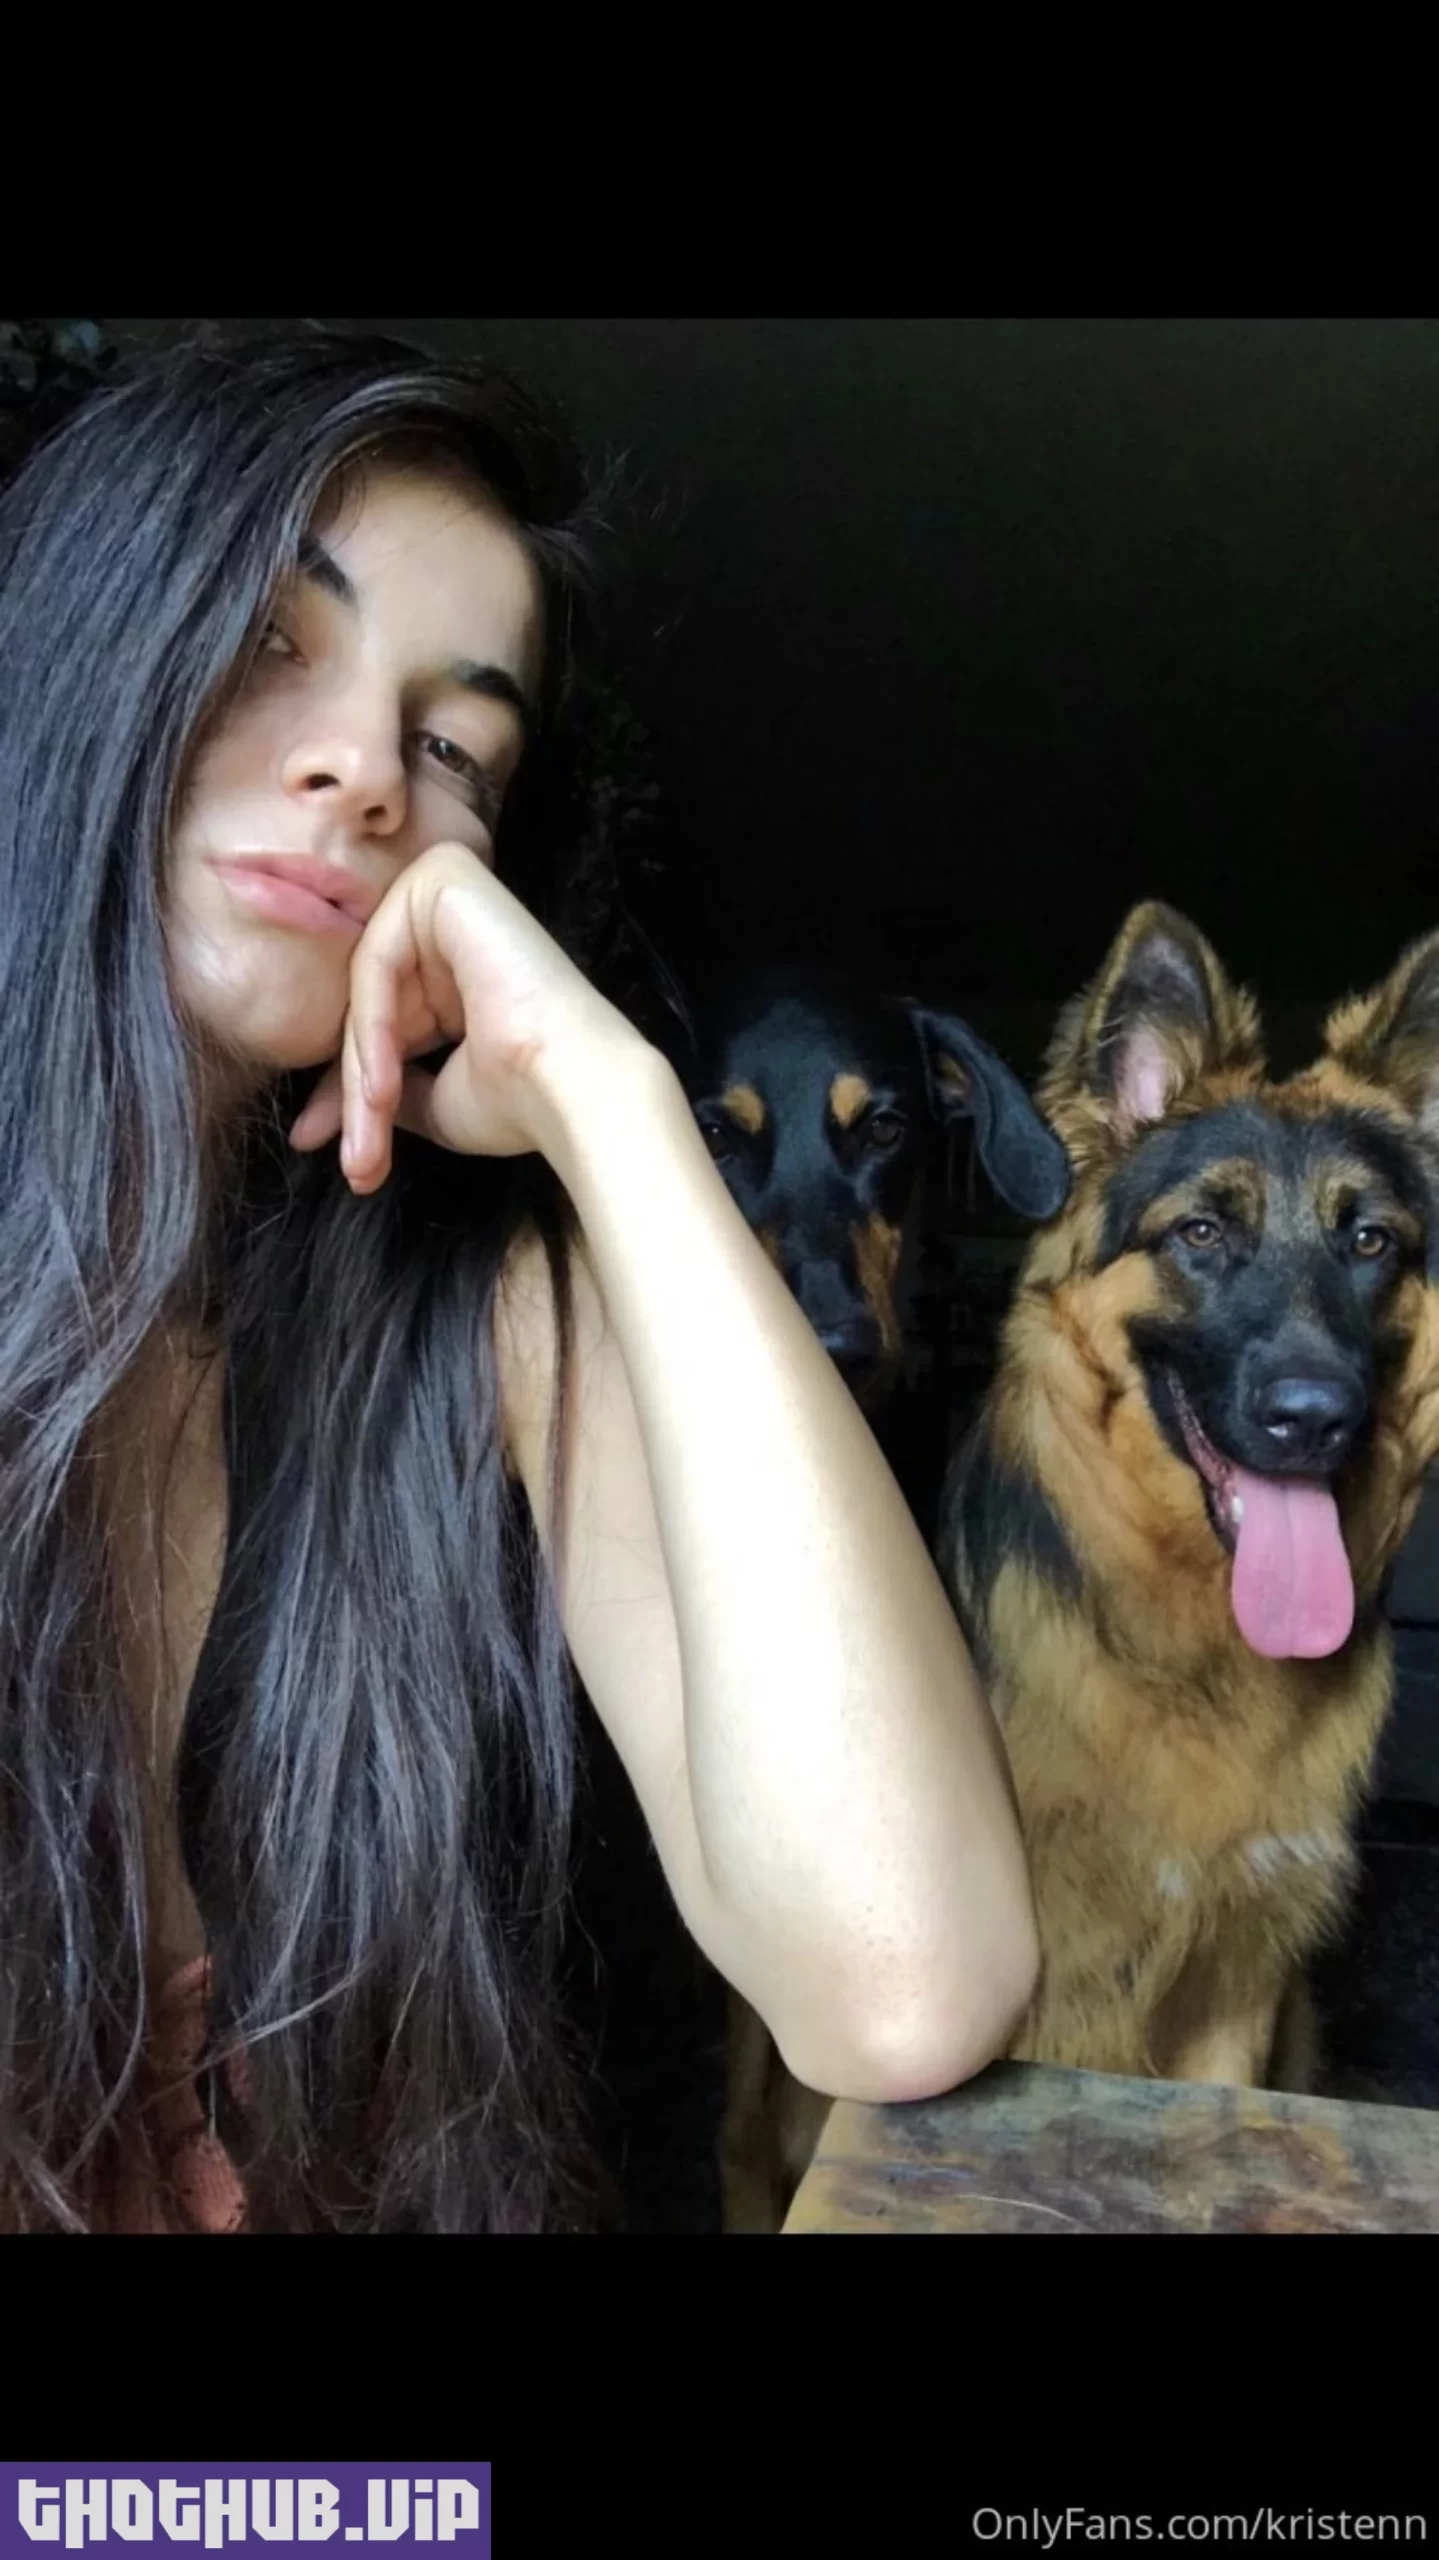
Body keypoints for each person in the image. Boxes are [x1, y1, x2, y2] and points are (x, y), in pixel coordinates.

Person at [0, 325, 1039, 2234]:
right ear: (88, 640)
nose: (362, 774)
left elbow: (904, 1982)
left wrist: (610, 1102)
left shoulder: (474, 1312)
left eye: (453, 750)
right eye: (266, 639)